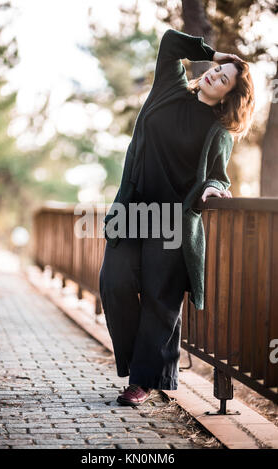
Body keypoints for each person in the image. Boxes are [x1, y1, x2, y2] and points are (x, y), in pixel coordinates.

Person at [99, 28, 255, 406]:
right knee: (114, 283)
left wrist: (212, 188)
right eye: (216, 72)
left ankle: (143, 381)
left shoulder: (219, 131)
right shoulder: (170, 87)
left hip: (174, 221)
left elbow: (219, 173)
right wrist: (221, 57)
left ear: (229, 96)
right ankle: (145, 364)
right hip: (135, 209)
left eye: (225, 81)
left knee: (160, 299)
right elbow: (170, 42)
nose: (215, 77)